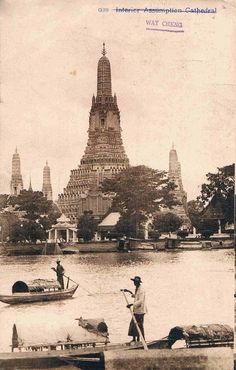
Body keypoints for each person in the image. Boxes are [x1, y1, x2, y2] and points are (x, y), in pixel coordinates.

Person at [124, 276, 147, 343]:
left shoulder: (141, 290)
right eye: (134, 282)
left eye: (135, 282)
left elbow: (141, 301)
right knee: (133, 324)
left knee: (139, 325)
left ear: (138, 282)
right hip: (136, 310)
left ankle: (141, 340)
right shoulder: (137, 288)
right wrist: (129, 292)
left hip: (140, 310)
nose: (134, 283)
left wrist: (131, 304)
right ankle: (134, 339)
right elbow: (137, 296)